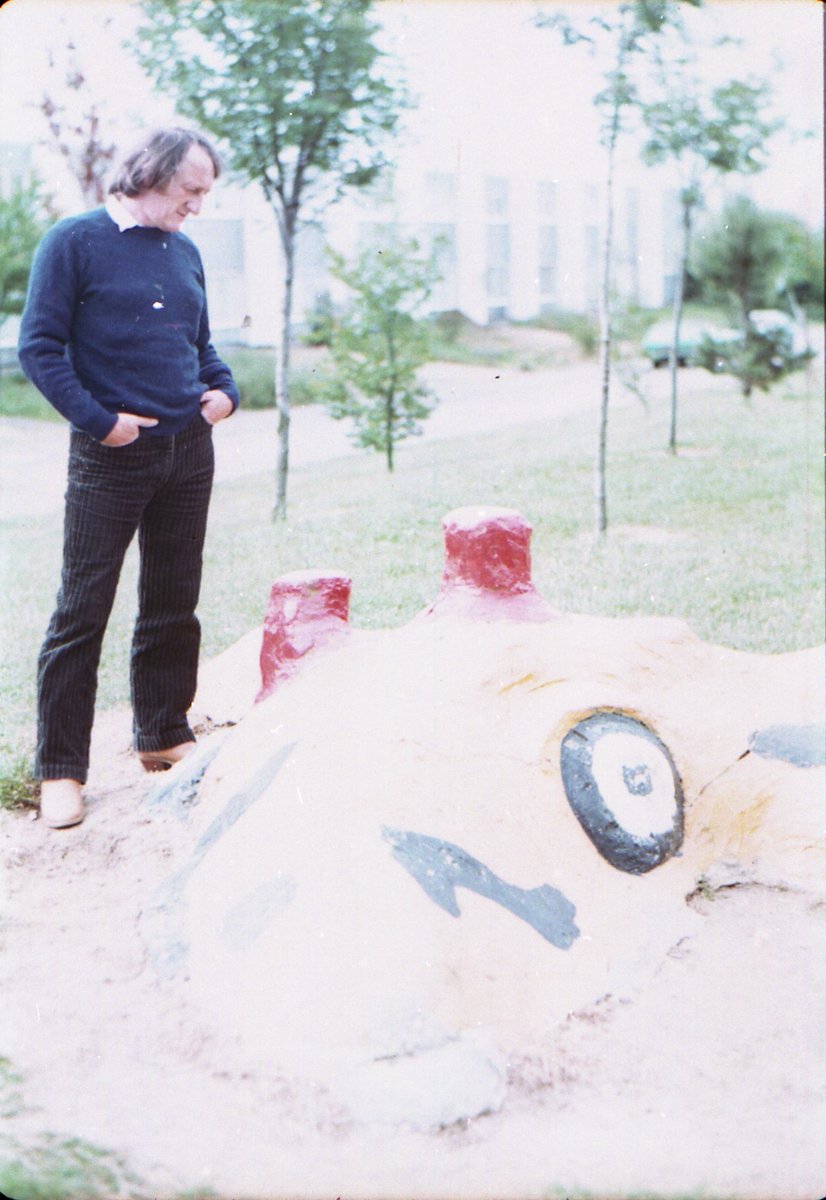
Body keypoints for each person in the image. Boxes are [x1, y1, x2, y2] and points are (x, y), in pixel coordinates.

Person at [18, 127, 240, 829]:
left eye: (205, 193)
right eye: (190, 191)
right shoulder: (74, 240)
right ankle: (60, 769)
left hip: (188, 450)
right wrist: (97, 420)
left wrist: (224, 391)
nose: (197, 206)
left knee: (174, 600)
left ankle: (163, 734)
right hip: (110, 455)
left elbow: (199, 344)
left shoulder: (184, 251)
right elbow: (39, 347)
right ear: (150, 174)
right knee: (81, 612)